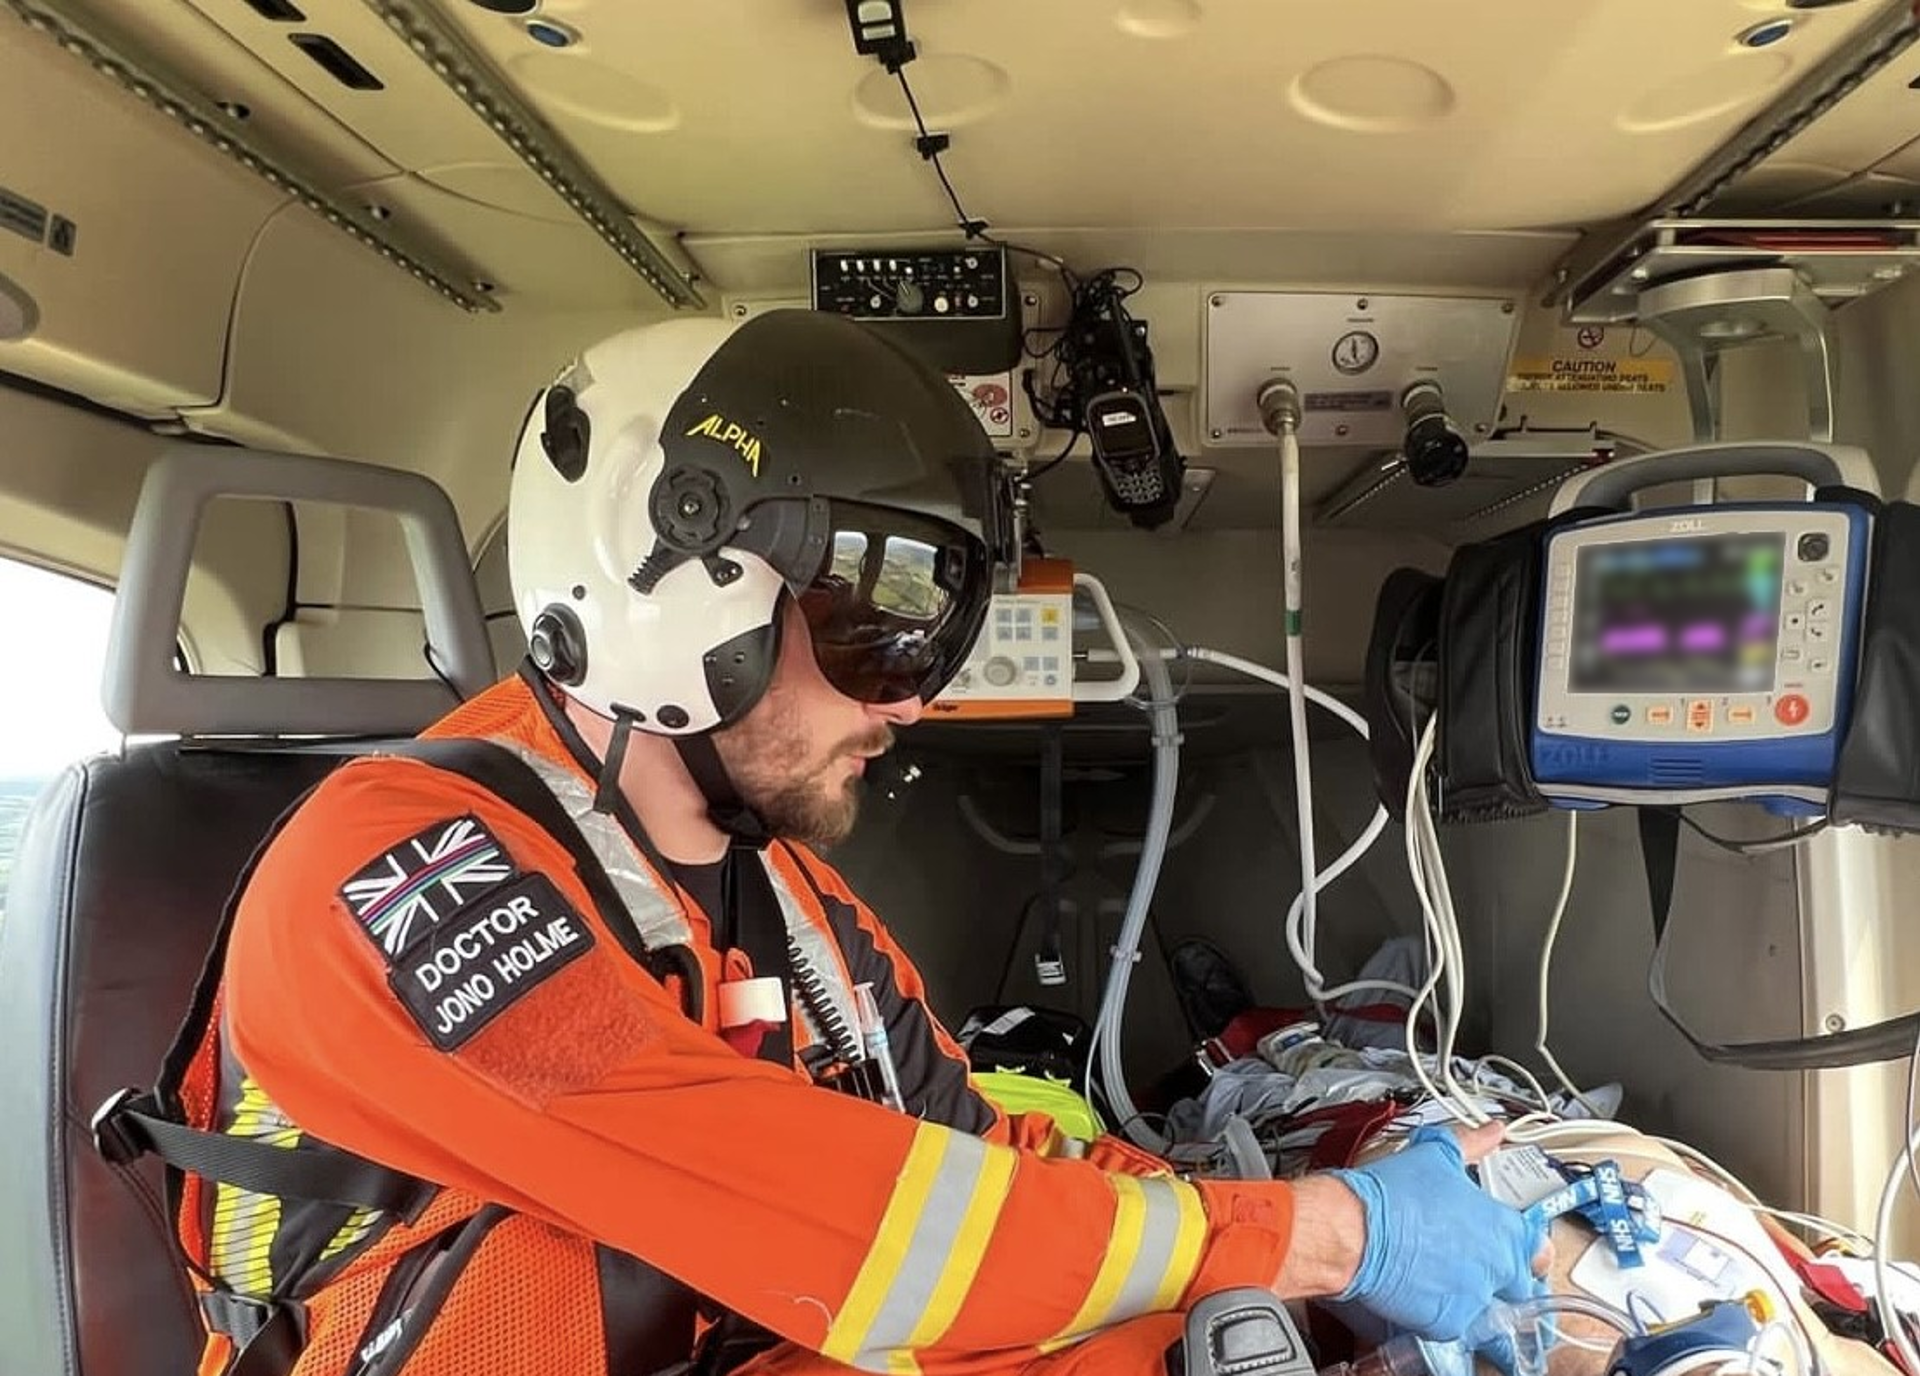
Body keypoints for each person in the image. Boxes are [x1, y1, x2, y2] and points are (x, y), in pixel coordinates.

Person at [160, 310, 1548, 1376]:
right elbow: (821, 1211)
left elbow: (982, 1157)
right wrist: (1321, 1236)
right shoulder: (394, 865)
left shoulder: (795, 904)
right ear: (662, 596)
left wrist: (1287, 1223)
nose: (921, 696)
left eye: (929, 628)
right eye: (875, 628)